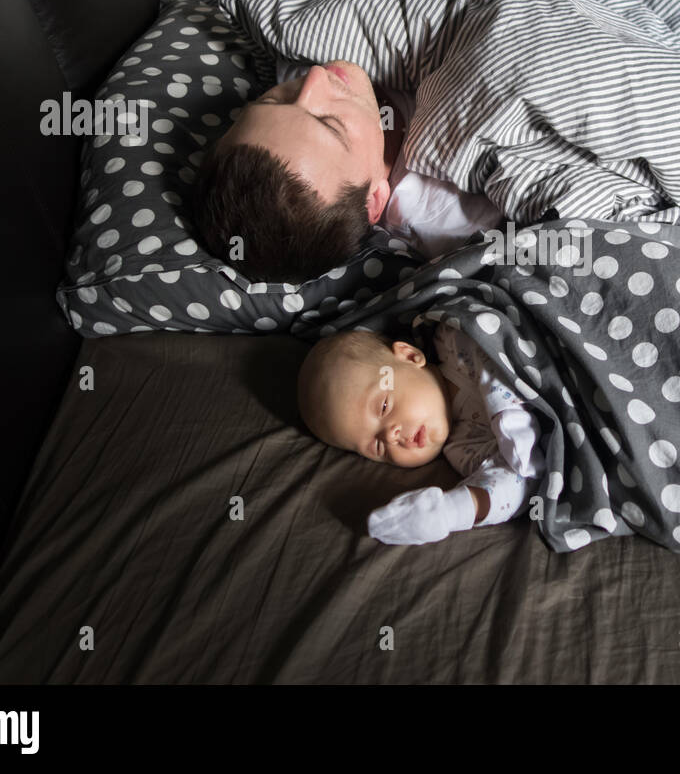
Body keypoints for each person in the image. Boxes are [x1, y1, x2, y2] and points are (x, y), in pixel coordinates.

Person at [193, 61, 501, 282]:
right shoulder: (450, 208)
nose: (314, 77)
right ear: (374, 200)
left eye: (273, 99)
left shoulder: (293, 65)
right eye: (329, 123)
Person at [297, 325, 544, 545]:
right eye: (377, 446)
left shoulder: (450, 339)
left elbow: (492, 334)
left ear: (410, 356)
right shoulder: (461, 450)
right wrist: (453, 510)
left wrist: (507, 415)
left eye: (384, 407)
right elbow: (523, 477)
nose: (391, 436)